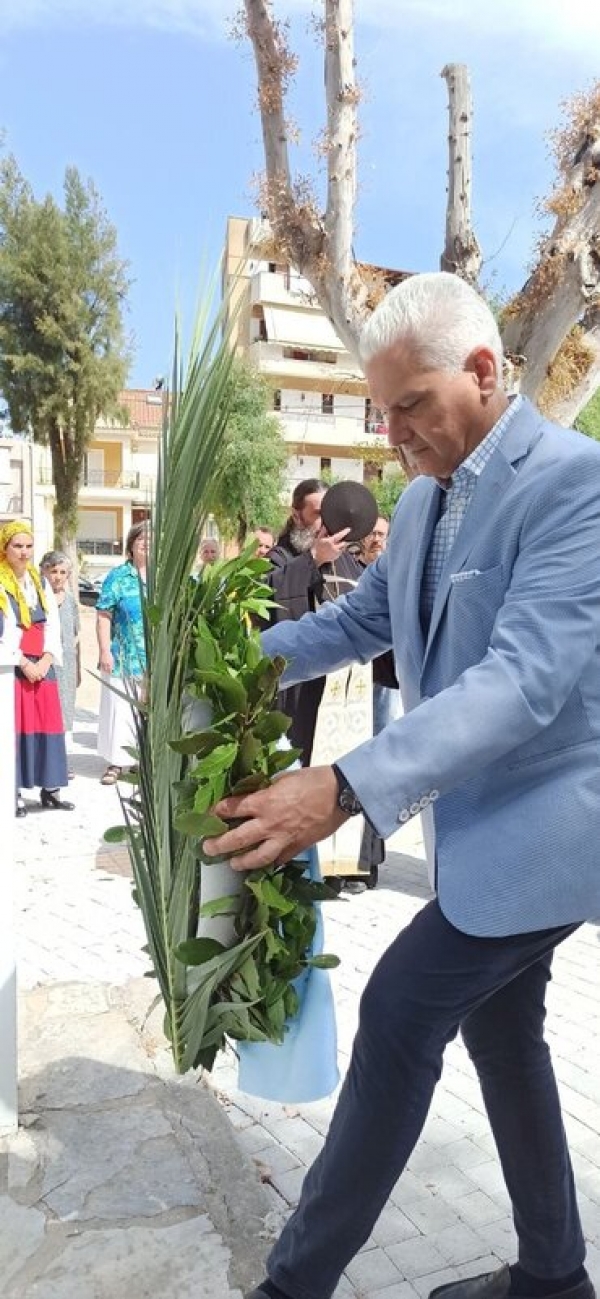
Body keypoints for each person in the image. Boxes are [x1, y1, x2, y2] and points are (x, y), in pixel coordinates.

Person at [203, 272, 600, 1299]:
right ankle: (556, 1277)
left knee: (399, 1010)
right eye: (382, 411)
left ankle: (292, 1286)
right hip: (482, 833)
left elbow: (523, 682)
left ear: (484, 371)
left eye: (411, 404)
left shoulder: (574, 484)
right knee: (500, 1028)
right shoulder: (422, 504)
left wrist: (343, 786)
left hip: (557, 827)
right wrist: (229, 666)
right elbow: (356, 623)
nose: (393, 436)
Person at [263, 478, 355, 764]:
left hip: (343, 686)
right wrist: (313, 558)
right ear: (296, 515)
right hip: (296, 689)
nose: (324, 523)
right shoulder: (278, 558)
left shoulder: (345, 560)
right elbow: (267, 593)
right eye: (317, 514)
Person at [0, 521, 74, 815]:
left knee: (48, 725)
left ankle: (51, 789)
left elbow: (52, 624)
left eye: (28, 546)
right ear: (5, 548)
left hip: (42, 665)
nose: (24, 552)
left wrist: (46, 659)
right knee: (14, 728)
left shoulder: (40, 582)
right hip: (14, 666)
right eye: (17, 546)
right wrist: (23, 662)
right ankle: (13, 791)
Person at [96, 521, 148, 785]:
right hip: (124, 656)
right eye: (141, 539)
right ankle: (116, 763)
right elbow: (104, 615)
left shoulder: (163, 578)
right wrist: (105, 650)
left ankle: (142, 761)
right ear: (131, 545)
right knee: (120, 710)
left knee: (146, 712)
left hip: (154, 660)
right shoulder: (118, 577)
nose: (146, 543)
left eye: (151, 539)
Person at [358, 514, 402, 733]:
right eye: (371, 534)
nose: (376, 539)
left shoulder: (396, 574)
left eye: (381, 534)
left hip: (388, 675)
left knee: (386, 731)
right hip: (360, 673)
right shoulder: (351, 569)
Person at [40, 550, 80, 777]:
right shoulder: (37, 598)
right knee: (45, 711)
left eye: (63, 572)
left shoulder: (71, 600)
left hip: (67, 665)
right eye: (53, 571)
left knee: (64, 711)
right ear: (44, 571)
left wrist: (78, 668)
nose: (57, 577)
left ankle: (61, 762)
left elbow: (75, 636)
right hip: (44, 663)